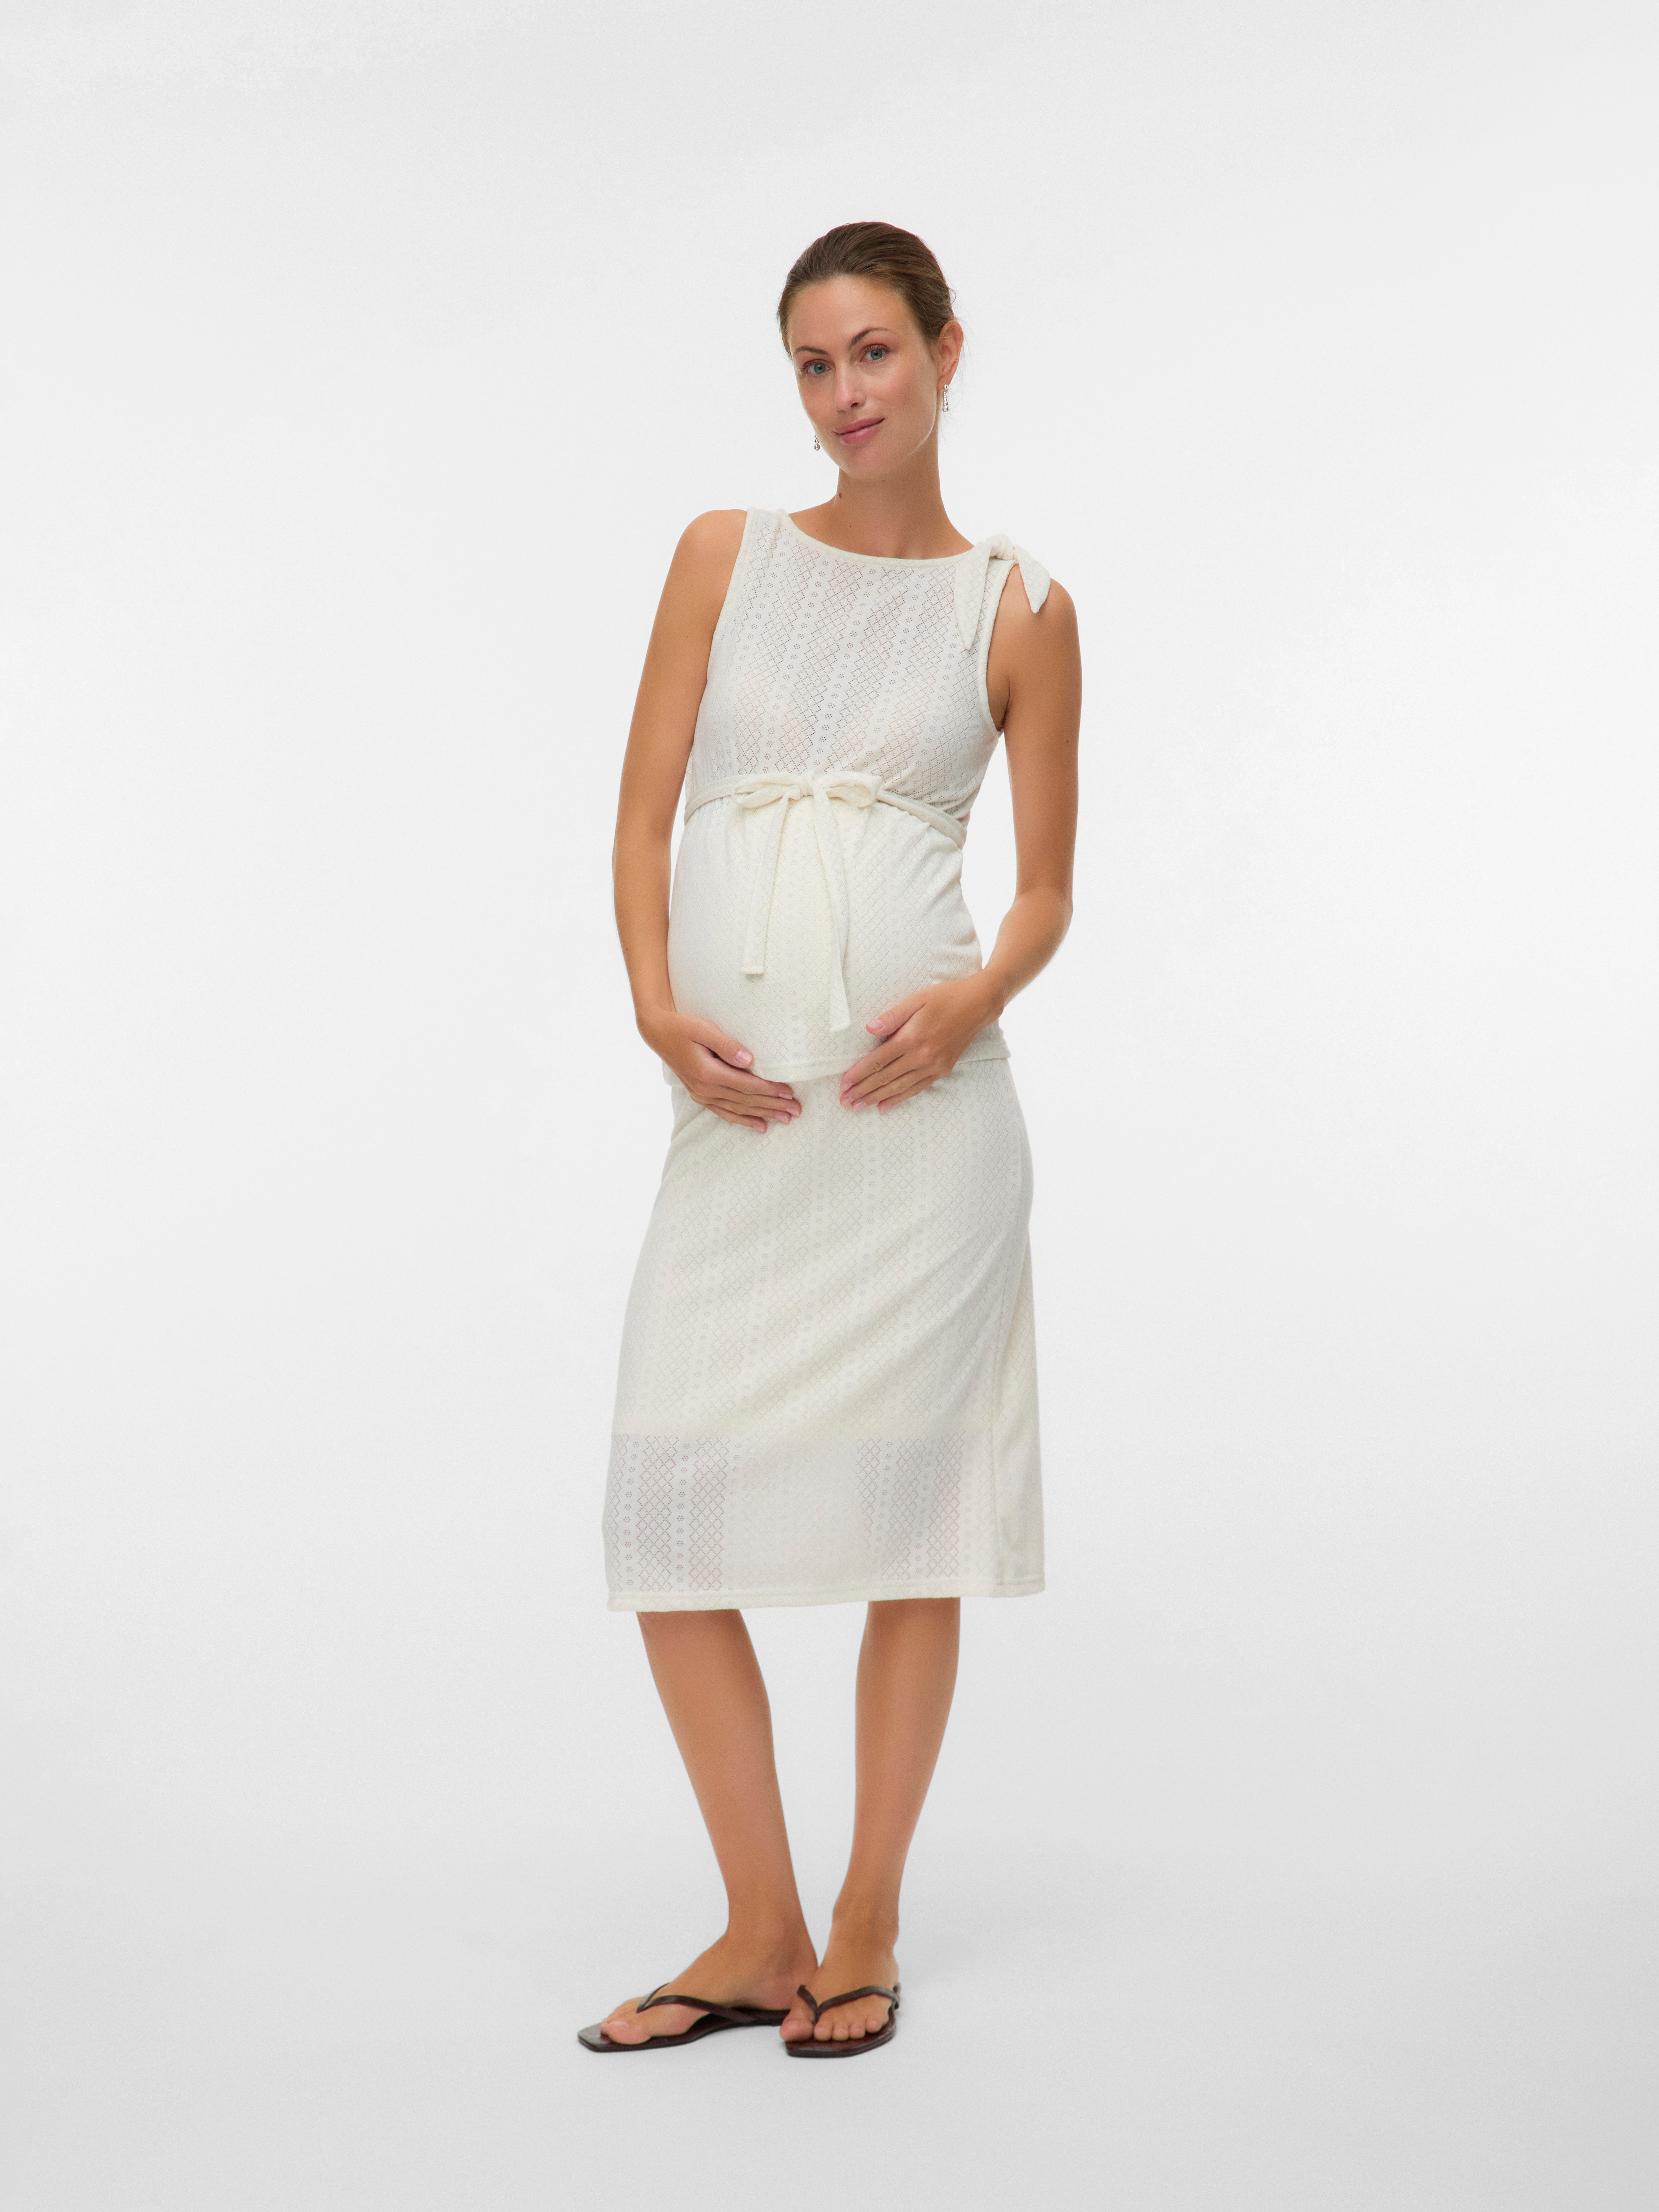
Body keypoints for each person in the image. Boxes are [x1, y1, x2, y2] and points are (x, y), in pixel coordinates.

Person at [580, 221, 1080, 2057]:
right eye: (813, 363)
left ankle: (863, 1916)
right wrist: (655, 1008)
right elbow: (643, 818)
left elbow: (1049, 889)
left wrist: (975, 996)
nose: (845, 392)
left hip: (924, 1129)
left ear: (947, 349)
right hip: (739, 1116)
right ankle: (755, 1927)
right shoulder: (726, 555)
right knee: (667, 1509)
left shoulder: (1020, 609)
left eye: (874, 351)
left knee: (911, 1519)